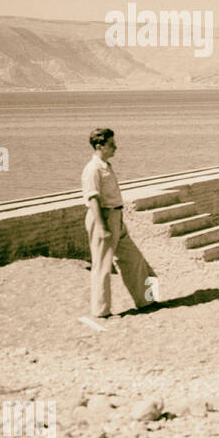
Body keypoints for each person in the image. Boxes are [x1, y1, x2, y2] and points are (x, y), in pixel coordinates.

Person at [81, 128, 157, 318]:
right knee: (102, 266)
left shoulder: (106, 166)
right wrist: (101, 227)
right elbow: (92, 199)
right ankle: (101, 311)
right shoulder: (93, 169)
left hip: (116, 218)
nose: (115, 147)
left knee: (134, 259)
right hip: (103, 218)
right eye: (111, 144)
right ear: (99, 146)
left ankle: (146, 300)